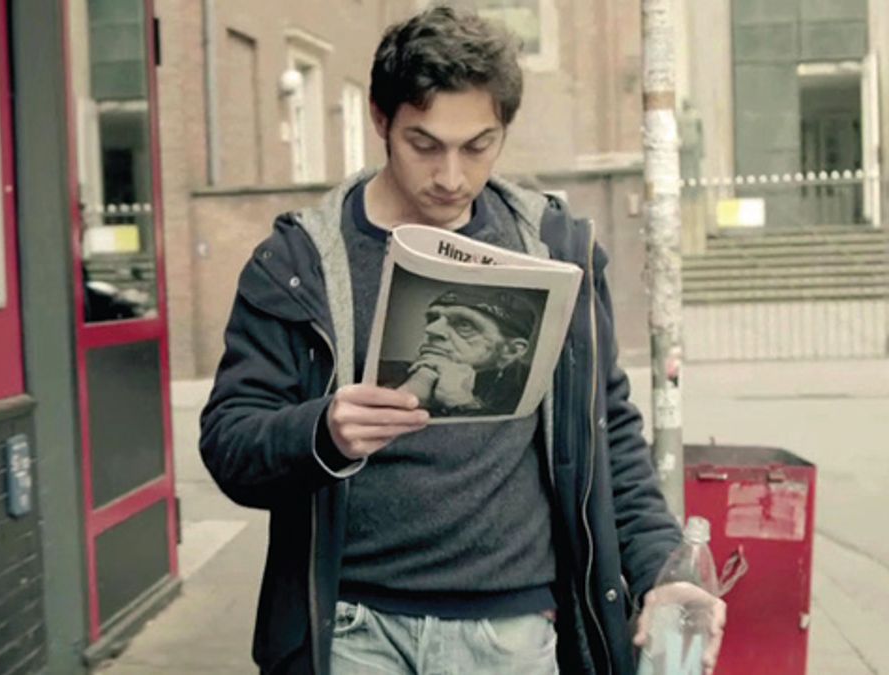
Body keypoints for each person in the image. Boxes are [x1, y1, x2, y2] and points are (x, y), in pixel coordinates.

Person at [199, 7, 725, 674]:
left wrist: (659, 569)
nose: (450, 176)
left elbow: (608, 434)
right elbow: (229, 441)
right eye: (424, 145)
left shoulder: (553, 247)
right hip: (354, 625)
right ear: (380, 119)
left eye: (478, 146)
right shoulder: (298, 262)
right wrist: (321, 431)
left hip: (509, 628)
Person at [387, 288, 537, 416]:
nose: (431, 329)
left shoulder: (531, 391)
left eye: (465, 325)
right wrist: (420, 382)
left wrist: (465, 404)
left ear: (511, 350)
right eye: (433, 319)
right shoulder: (387, 373)